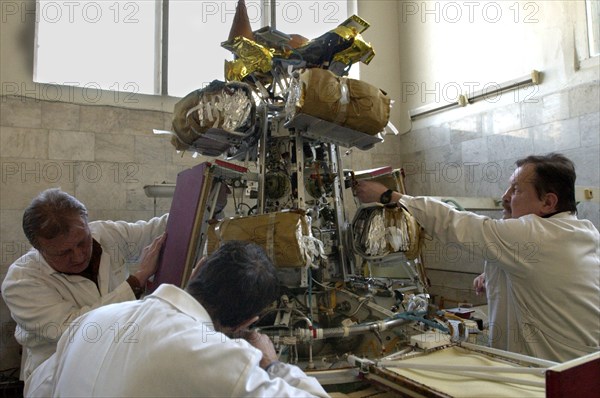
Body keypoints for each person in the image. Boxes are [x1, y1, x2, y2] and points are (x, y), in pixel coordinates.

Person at [353, 153, 600, 363]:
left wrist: (389, 196)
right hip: (581, 367)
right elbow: (546, 274)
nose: (504, 197)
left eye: (515, 190)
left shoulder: (533, 235)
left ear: (548, 202)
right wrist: (493, 274)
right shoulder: (580, 232)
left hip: (544, 377)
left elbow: (455, 223)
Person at [26, 241, 330, 397]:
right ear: (245, 323)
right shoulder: (221, 358)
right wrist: (270, 364)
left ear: (197, 270)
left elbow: (39, 388)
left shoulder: (90, 321)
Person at [1, 188, 167, 380]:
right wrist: (136, 281)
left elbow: (156, 229)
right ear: (39, 249)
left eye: (82, 242)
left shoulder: (105, 234)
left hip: (115, 360)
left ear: (87, 226)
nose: (79, 256)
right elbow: (75, 330)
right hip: (59, 376)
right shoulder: (21, 281)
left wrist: (203, 201)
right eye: (63, 253)